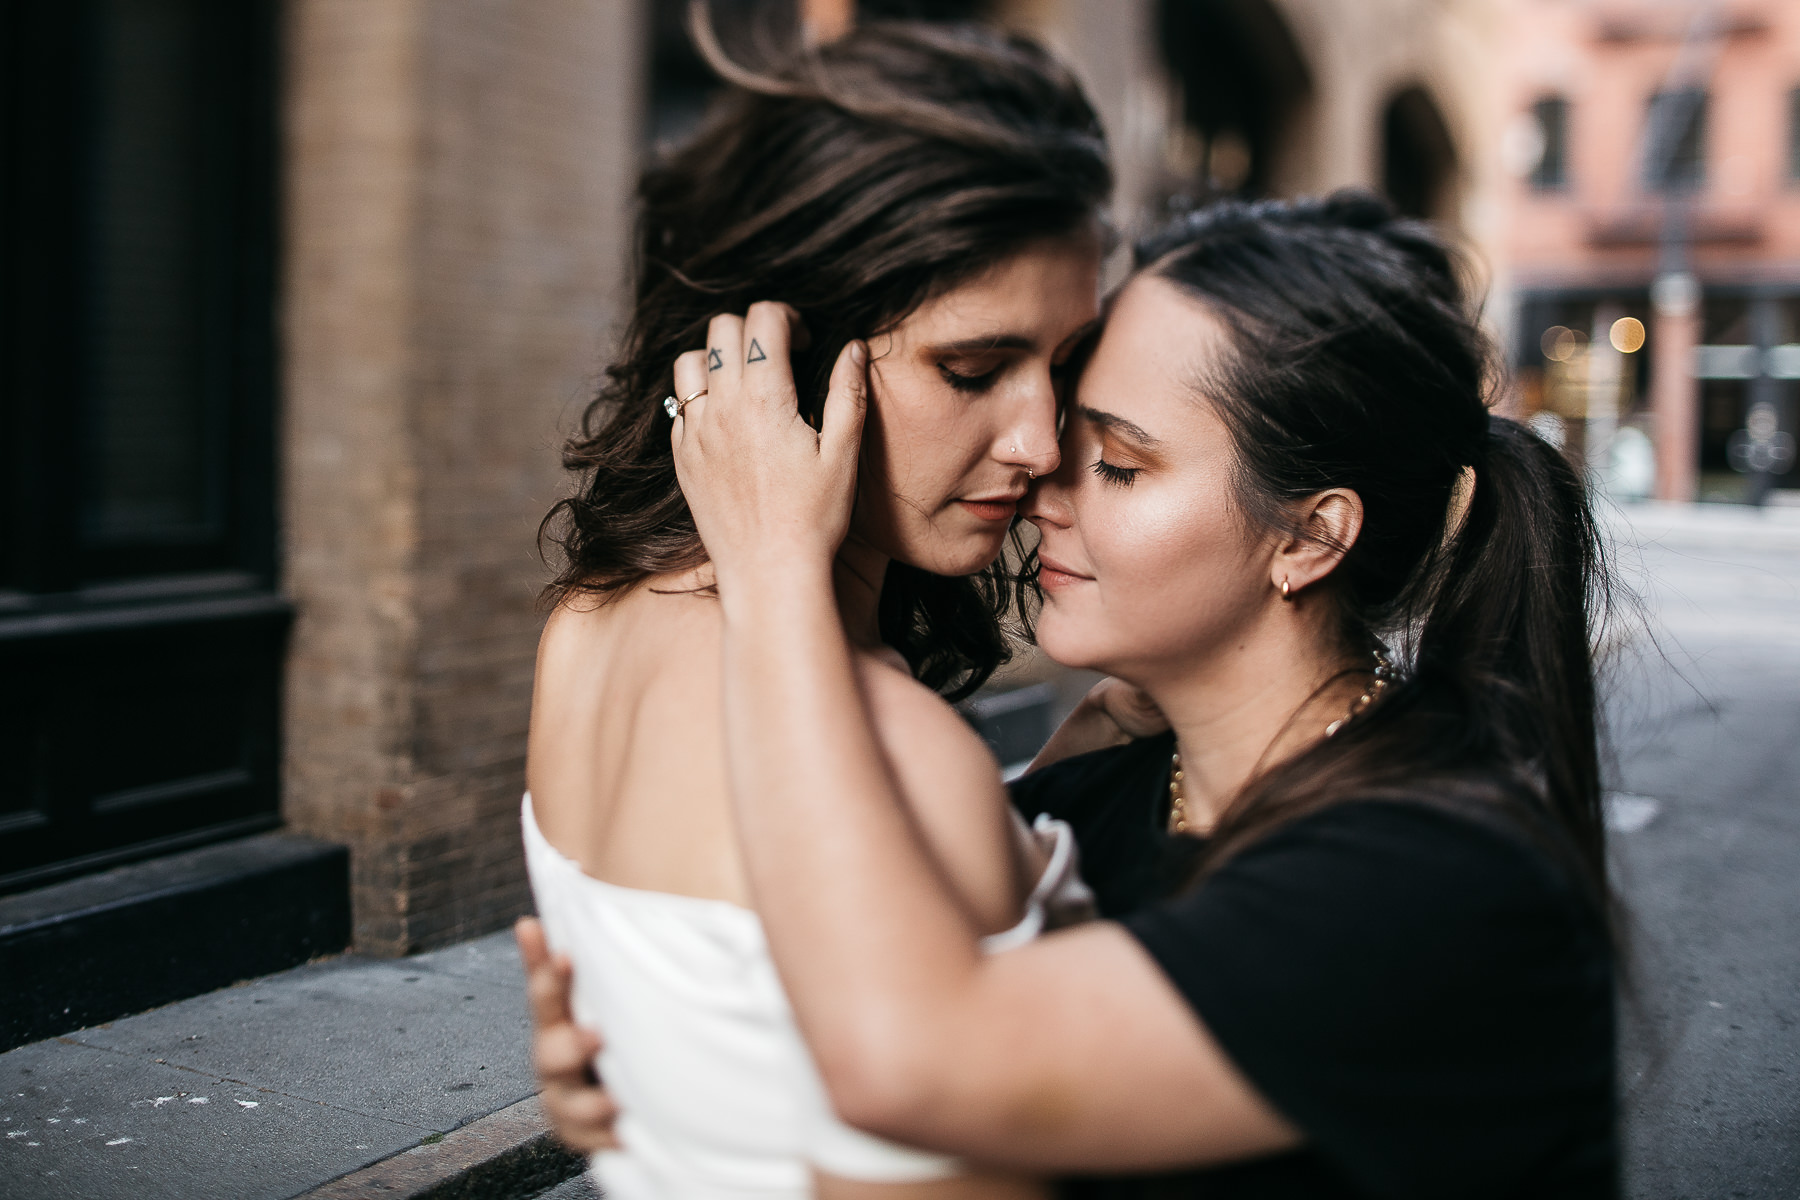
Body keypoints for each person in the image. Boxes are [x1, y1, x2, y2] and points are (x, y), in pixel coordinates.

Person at [534, 192, 1619, 1197]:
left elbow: (908, 1062)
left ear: (1309, 534)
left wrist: (777, 569)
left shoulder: (1430, 881)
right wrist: (662, 1055)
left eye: (1121, 463)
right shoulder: (1100, 800)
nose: (1041, 475)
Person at [519, 15, 1119, 1199]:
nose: (1042, 441)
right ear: (787, 355)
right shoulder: (899, 758)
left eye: (1064, 367)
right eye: (971, 368)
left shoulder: (584, 632)